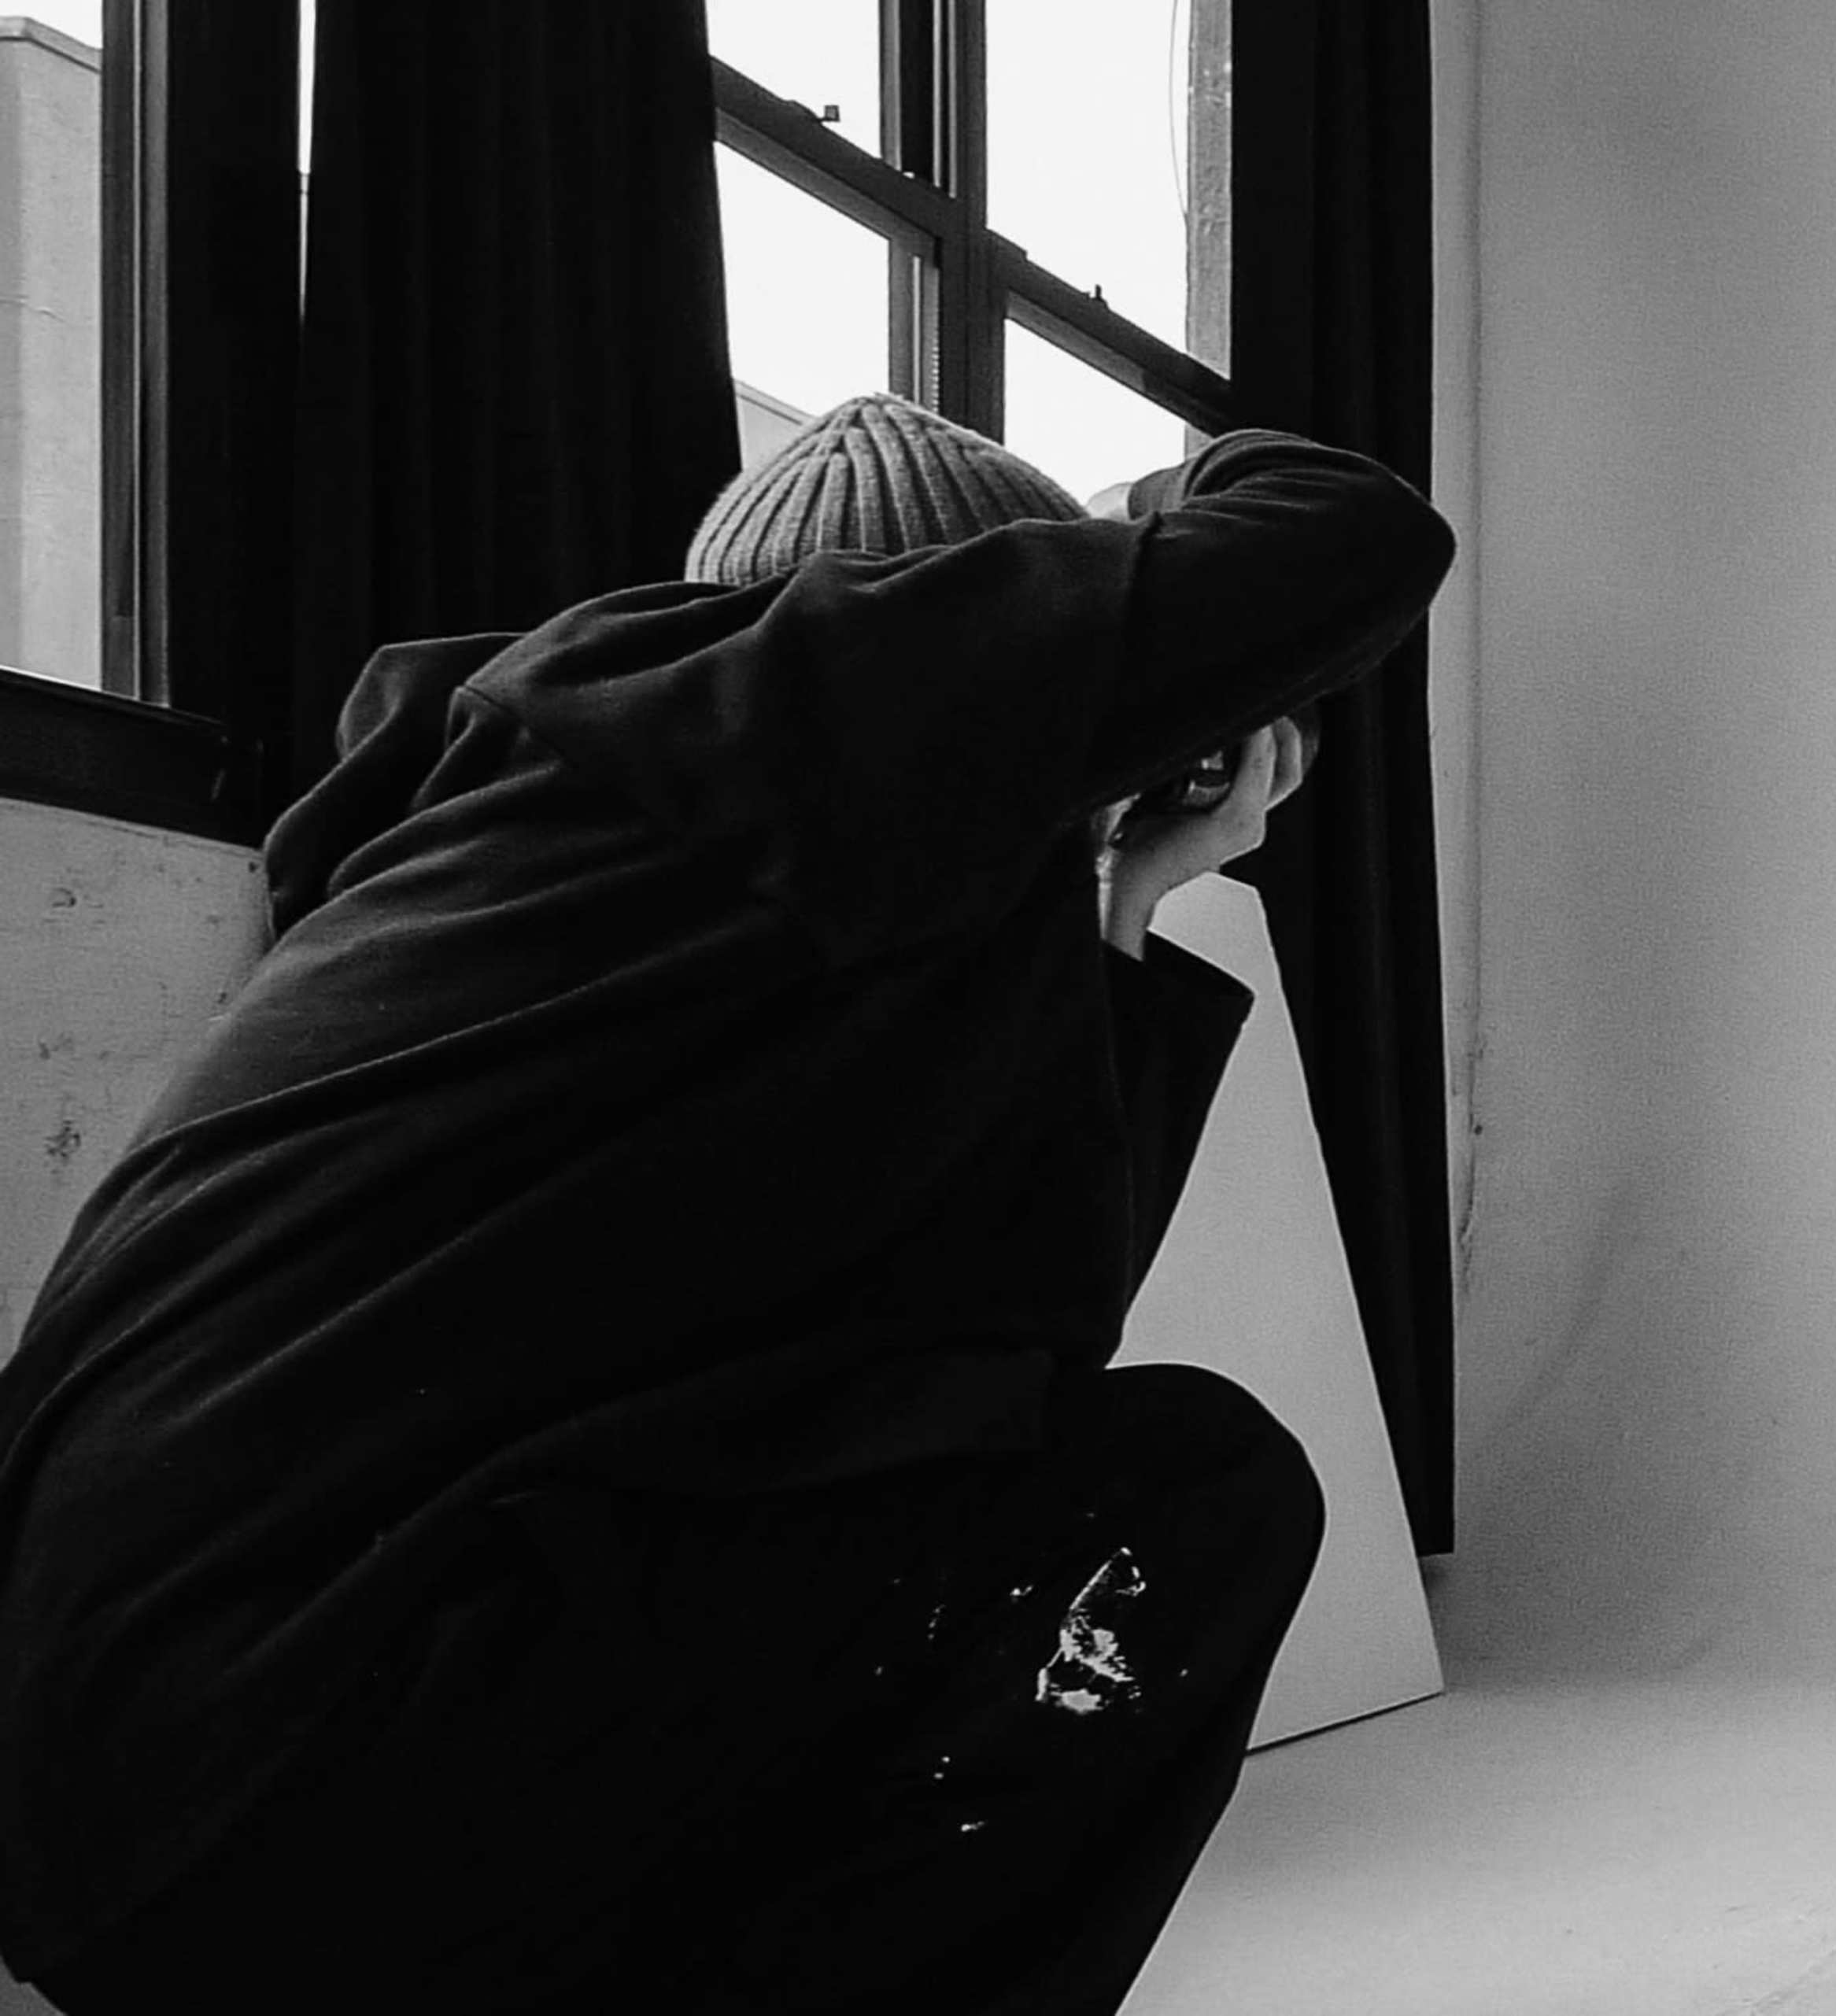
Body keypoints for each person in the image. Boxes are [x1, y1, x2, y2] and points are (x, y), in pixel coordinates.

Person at [0, 392, 1454, 2010]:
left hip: (140, 1790)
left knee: (1093, 1493)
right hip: (289, 1759)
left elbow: (1006, 1371)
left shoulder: (624, 865)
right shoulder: (800, 718)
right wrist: (1158, 514)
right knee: (1194, 1494)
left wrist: (1119, 891)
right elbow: (1352, 531)